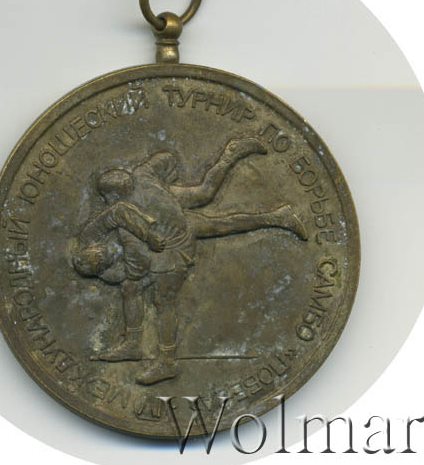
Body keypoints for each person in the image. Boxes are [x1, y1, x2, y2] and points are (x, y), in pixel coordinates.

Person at [72, 138, 307, 385]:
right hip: (167, 211)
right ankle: (277, 214)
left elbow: (130, 238)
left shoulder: (127, 233)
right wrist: (167, 179)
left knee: (163, 300)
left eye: (102, 254)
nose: (106, 254)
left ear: (116, 194)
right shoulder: (141, 176)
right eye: (102, 258)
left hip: (174, 240)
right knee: (211, 206)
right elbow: (165, 158)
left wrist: (149, 234)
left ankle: (166, 362)